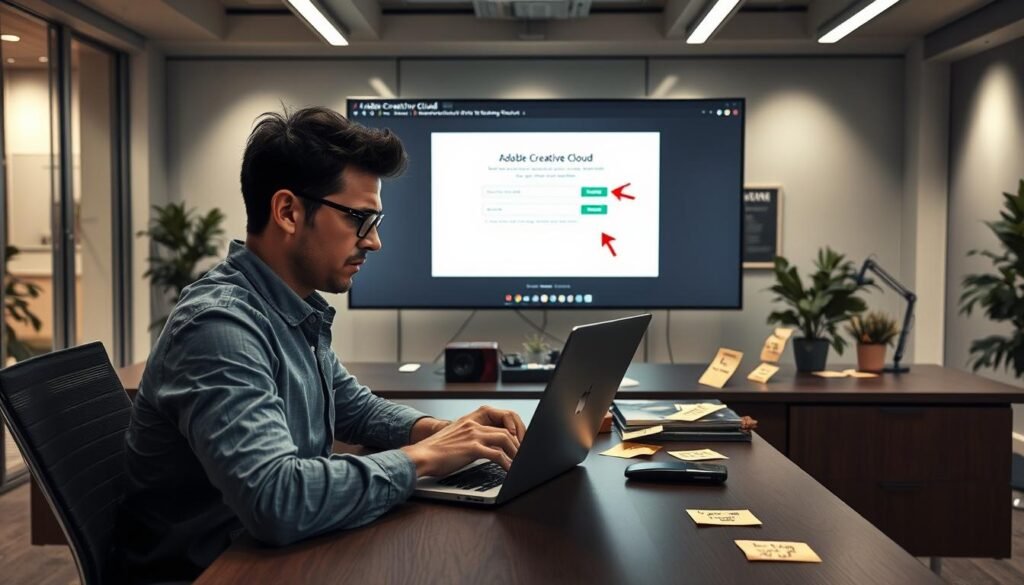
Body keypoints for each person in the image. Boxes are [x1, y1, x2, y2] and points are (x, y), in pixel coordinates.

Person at [110, 106, 525, 584]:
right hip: (217, 571)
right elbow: (277, 499)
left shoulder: (285, 308)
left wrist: (444, 430)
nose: (374, 243)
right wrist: (426, 456)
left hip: (271, 555)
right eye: (360, 220)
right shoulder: (219, 325)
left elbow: (354, 409)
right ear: (288, 211)